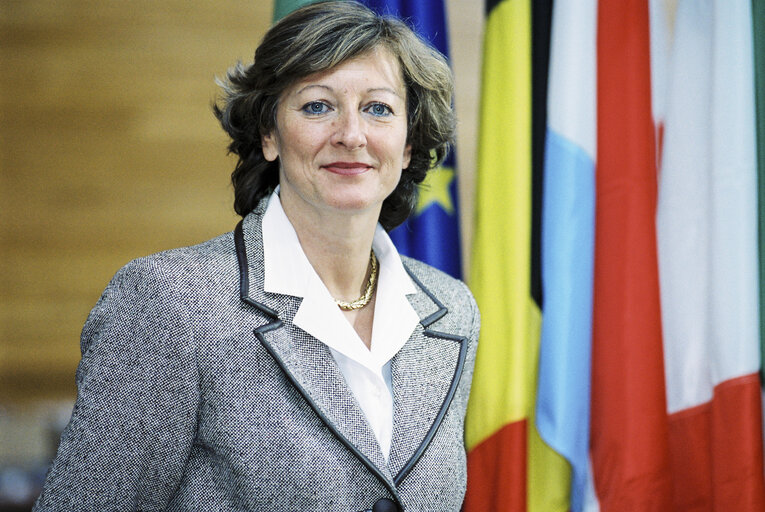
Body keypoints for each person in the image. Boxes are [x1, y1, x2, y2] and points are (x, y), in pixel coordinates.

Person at [33, 1, 479, 511]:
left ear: (406, 145)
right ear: (269, 134)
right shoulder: (169, 303)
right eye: (317, 106)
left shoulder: (450, 312)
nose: (351, 134)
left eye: (378, 108)